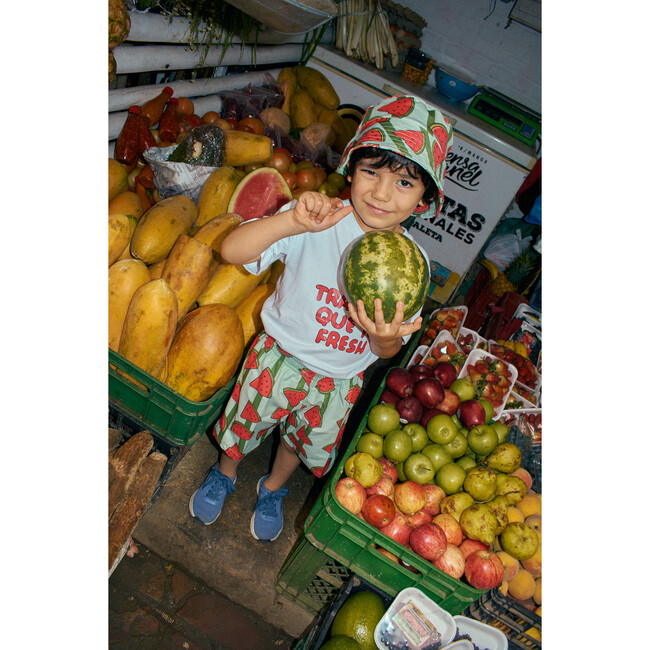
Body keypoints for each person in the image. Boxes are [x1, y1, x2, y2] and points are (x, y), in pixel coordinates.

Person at [189, 94, 454, 541]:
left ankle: (272, 487)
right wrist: (291, 222)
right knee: (243, 426)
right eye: (372, 171)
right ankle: (225, 471)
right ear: (351, 168)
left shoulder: (415, 264)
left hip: (338, 380)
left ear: (425, 198)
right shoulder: (318, 217)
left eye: (405, 183)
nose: (382, 193)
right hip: (277, 358)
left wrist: (383, 337)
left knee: (298, 443)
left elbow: (387, 351)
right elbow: (230, 250)